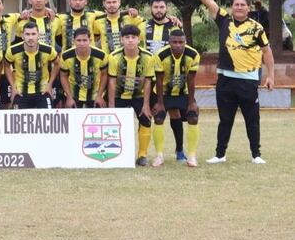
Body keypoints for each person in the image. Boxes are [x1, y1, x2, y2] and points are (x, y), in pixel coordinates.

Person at [185, 0, 274, 164]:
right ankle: (219, 155)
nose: (239, 7)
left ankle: (256, 155)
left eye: (243, 5)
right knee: (225, 120)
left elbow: (267, 52)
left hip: (248, 81)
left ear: (248, 8)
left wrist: (270, 76)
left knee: (252, 120)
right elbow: (208, 0)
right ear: (232, 7)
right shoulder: (224, 19)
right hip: (225, 79)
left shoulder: (257, 28)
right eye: (236, 4)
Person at [149, 29, 201, 167]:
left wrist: (191, 102)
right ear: (169, 42)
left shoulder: (193, 55)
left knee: (193, 116)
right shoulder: (160, 55)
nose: (178, 45)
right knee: (159, 116)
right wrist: (160, 103)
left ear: (185, 42)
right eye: (174, 42)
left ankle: (191, 156)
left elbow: (191, 80)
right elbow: (159, 80)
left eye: (181, 42)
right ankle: (159, 155)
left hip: (183, 92)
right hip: (164, 93)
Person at [107, 24, 155, 166]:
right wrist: (111, 105)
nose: (130, 40)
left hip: (138, 96)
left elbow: (147, 82)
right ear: (121, 40)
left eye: (133, 37)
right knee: (114, 124)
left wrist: (146, 105)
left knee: (146, 120)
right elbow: (111, 81)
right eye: (127, 37)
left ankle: (142, 155)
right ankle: (116, 154)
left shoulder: (148, 57)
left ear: (139, 39)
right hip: (119, 96)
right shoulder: (114, 57)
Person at [4, 21, 58, 109]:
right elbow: (6, 66)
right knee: (18, 120)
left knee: (47, 119)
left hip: (42, 90)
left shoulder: (48, 50)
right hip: (21, 91)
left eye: (33, 34)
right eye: (27, 34)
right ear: (22, 36)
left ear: (38, 35)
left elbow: (57, 64)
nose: (30, 37)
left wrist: (50, 84)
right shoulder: (12, 51)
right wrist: (13, 87)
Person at [60, 27, 108, 108]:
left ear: (90, 40)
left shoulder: (101, 55)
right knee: (73, 120)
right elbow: (63, 76)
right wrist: (69, 97)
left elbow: (104, 75)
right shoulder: (66, 56)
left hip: (94, 94)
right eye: (78, 40)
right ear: (74, 41)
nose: (82, 43)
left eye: (85, 40)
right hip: (74, 94)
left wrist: (99, 96)